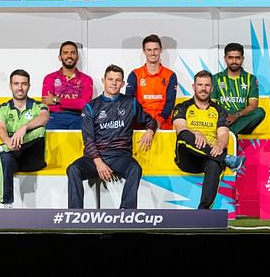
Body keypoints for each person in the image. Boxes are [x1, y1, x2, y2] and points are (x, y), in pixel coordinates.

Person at [67, 64, 157, 209]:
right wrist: (98, 162)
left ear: (122, 84)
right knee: (73, 169)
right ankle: (75, 214)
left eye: (117, 80)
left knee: (135, 169)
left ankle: (126, 213)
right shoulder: (91, 107)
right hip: (95, 157)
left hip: (120, 156)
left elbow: (150, 121)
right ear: (103, 81)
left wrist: (150, 131)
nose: (114, 83)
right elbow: (88, 139)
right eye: (110, 79)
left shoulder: (131, 103)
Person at [0, 70, 49, 208]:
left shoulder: (39, 106)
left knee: (40, 130)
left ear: (29, 86)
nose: (20, 88)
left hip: (33, 158)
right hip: (13, 154)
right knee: (4, 157)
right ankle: (7, 205)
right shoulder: (1, 109)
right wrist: (8, 143)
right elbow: (0, 128)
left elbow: (44, 117)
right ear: (10, 86)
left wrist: (24, 128)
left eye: (23, 84)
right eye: (16, 84)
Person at [173, 70, 247, 209]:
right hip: (187, 158)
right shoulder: (182, 107)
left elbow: (224, 134)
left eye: (207, 85)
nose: (203, 88)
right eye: (200, 85)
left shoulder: (219, 110)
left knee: (214, 164)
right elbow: (180, 127)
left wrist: (220, 144)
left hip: (211, 156)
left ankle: (204, 211)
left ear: (212, 88)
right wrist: (195, 133)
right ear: (193, 87)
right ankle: (225, 158)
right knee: (184, 136)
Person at [210, 42, 266, 136]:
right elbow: (212, 104)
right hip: (223, 118)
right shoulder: (216, 78)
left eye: (237, 58)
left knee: (260, 112)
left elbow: (253, 105)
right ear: (225, 58)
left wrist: (236, 116)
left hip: (243, 119)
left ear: (242, 59)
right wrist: (225, 116)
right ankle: (229, 132)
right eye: (231, 57)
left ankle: (228, 133)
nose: (234, 61)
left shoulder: (250, 79)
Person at [126, 34, 178, 130]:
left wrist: (158, 121)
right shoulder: (135, 74)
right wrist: (146, 122)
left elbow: (170, 103)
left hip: (163, 126)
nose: (152, 53)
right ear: (144, 51)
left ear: (160, 50)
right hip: (140, 125)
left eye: (155, 49)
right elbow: (129, 101)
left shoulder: (170, 75)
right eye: (149, 50)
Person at [41, 41, 94, 130]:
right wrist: (75, 103)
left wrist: (57, 100)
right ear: (60, 57)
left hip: (78, 117)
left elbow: (84, 104)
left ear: (77, 57)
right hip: (55, 117)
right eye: (65, 53)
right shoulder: (49, 78)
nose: (69, 56)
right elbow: (48, 104)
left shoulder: (87, 79)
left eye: (72, 53)